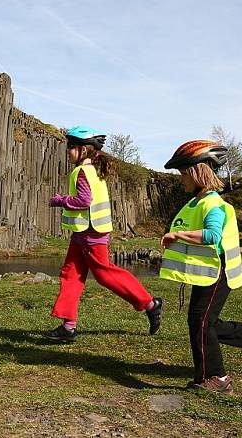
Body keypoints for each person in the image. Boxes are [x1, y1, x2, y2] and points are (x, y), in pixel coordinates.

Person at [160, 140, 242, 394]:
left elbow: (212, 236)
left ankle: (216, 378)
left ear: (199, 171)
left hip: (219, 272)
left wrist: (177, 236)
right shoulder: (196, 202)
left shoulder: (214, 204)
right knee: (203, 321)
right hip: (207, 272)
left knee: (201, 322)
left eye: (183, 173)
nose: (181, 179)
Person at [44, 125, 164, 343]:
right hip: (83, 233)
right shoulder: (93, 170)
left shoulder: (83, 171)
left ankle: (150, 304)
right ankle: (68, 327)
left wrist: (59, 200)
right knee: (70, 274)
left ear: (85, 150)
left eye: (72, 147)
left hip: (92, 234)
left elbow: (83, 201)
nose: (68, 151)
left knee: (104, 274)